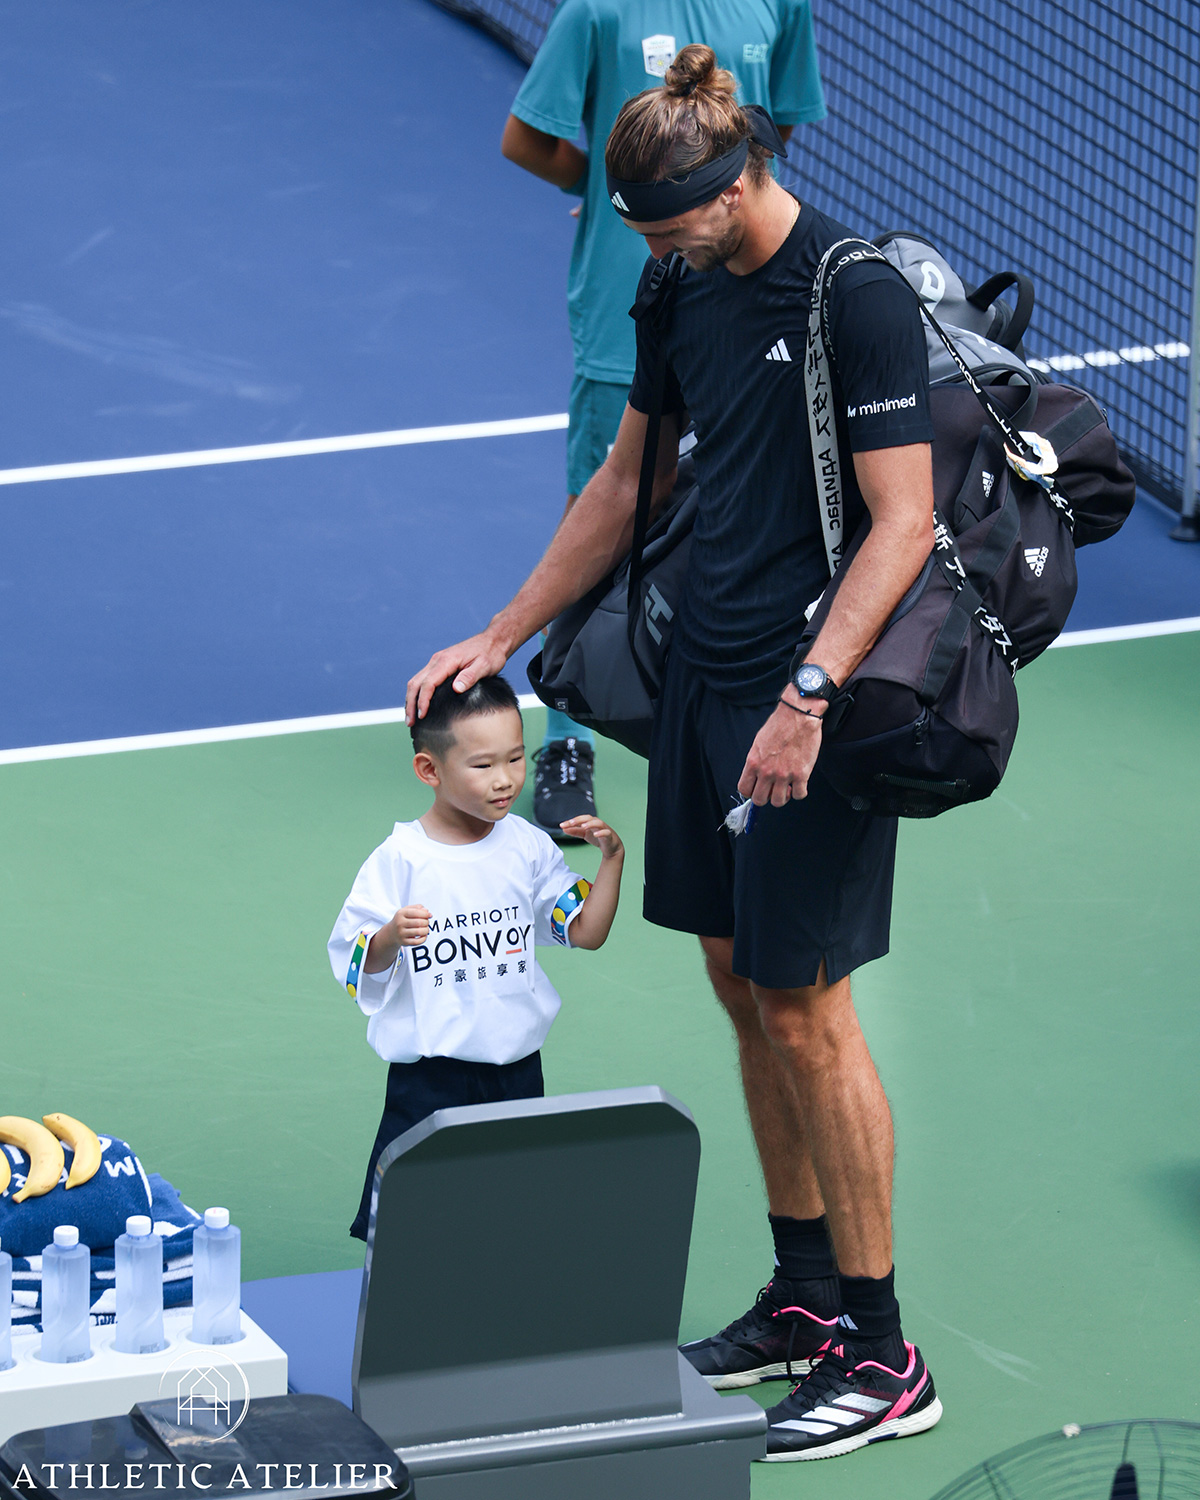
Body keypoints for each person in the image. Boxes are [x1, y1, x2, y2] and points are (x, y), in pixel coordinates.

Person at [408, 45, 942, 1462]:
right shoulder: (675, 282)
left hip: (813, 708)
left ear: (742, 176)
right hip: (707, 686)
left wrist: (812, 690)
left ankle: (888, 1357)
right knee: (740, 984)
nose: (653, 249)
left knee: (809, 1007)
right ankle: (809, 1296)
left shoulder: (854, 294)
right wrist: (508, 629)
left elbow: (902, 522)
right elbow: (630, 477)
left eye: (670, 223)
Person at [500, 1, 825, 837]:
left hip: (741, 308)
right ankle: (569, 736)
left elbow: (770, 131)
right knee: (607, 501)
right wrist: (641, 203)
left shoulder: (776, 6)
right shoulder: (598, 10)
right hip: (626, 322)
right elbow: (525, 139)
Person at [329, 674, 624, 1242]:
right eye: (483, 765)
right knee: (409, 1224)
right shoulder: (399, 860)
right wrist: (389, 935)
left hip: (518, 1076)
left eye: (515, 758)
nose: (506, 780)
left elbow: (586, 931)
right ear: (429, 770)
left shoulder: (528, 846)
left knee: (509, 1222)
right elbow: (354, 960)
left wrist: (610, 861)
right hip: (429, 1084)